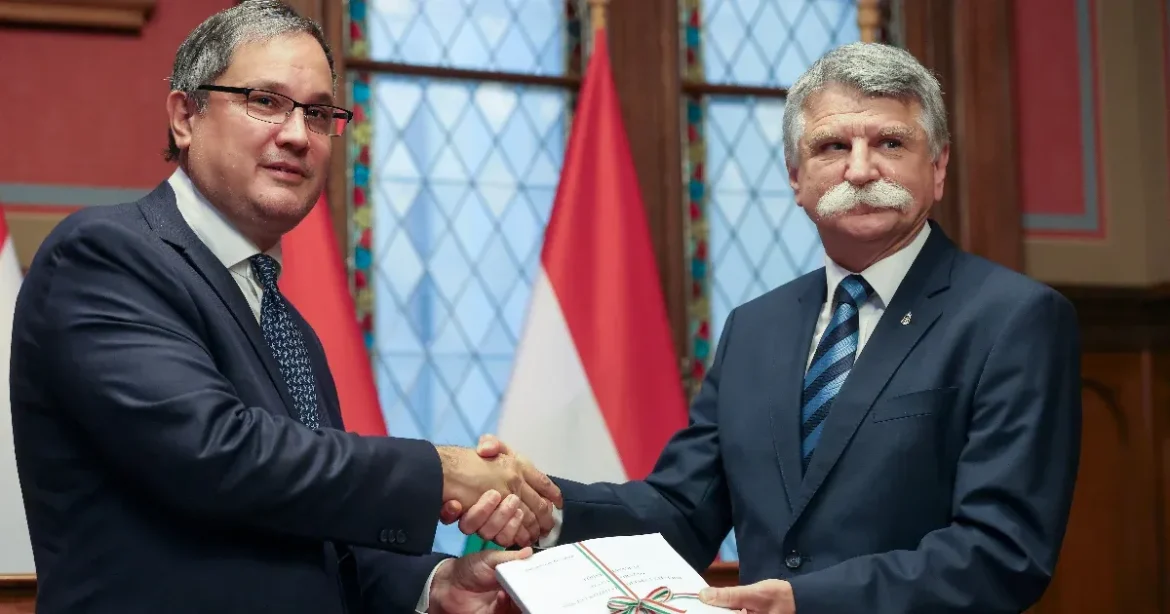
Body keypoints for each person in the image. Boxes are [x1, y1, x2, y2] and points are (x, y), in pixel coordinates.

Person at [466, 41, 1083, 613]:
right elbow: (682, 509)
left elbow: (1003, 552)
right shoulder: (754, 328)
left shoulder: (1014, 319)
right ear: (795, 177)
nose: (861, 170)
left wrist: (805, 602)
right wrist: (544, 504)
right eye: (832, 147)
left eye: (890, 143)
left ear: (939, 167)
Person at [9, 2, 559, 613]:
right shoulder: (103, 256)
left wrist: (435, 587)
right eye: (265, 101)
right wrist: (440, 471)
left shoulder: (287, 326)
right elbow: (218, 453)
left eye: (318, 113)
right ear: (185, 116)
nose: (298, 135)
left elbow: (316, 527)